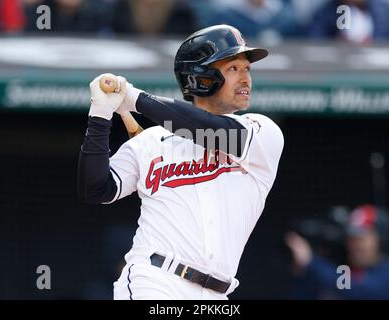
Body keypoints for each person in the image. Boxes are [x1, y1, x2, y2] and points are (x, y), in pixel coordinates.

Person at [77, 24, 284, 300]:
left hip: (218, 294)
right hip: (154, 280)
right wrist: (101, 115)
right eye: (233, 68)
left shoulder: (263, 133)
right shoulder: (151, 142)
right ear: (201, 78)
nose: (246, 78)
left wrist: (136, 99)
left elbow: (211, 131)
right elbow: (96, 189)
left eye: (247, 69)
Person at [285, 204, 389, 299]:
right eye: (350, 238)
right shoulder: (341, 269)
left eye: (360, 238)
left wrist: (311, 262)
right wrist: (301, 273)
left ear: (380, 239)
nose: (353, 245)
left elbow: (353, 288)